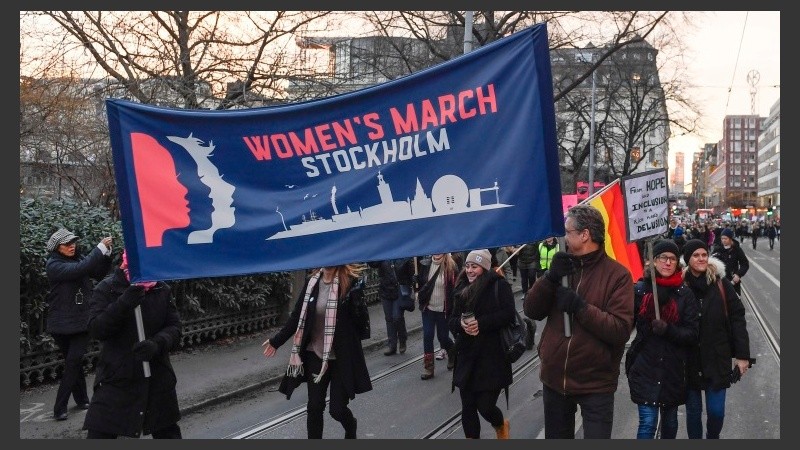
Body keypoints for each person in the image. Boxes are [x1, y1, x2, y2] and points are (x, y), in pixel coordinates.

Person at [523, 204, 634, 439]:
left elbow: (620, 330)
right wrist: (550, 277)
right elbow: (531, 310)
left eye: (568, 230)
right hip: (555, 379)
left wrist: (580, 307)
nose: (563, 235)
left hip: (595, 383)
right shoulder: (562, 268)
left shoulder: (618, 275)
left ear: (585, 235)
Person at [262, 265, 372, 439]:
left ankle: (351, 425)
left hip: (341, 357)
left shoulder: (348, 284)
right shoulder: (311, 283)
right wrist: (276, 341)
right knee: (314, 407)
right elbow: (298, 316)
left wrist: (357, 299)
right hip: (316, 354)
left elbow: (360, 324)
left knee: (337, 410)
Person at [83, 250, 182, 438]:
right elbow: (97, 329)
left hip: (157, 378)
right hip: (116, 378)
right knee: (100, 434)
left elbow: (175, 327)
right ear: (125, 261)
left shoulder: (161, 289)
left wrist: (157, 343)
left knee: (167, 433)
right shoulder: (107, 288)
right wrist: (124, 303)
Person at [626, 240, 699, 439]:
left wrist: (668, 330)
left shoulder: (685, 294)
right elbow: (625, 324)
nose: (668, 262)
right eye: (663, 258)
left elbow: (692, 334)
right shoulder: (640, 290)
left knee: (670, 423)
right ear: (654, 261)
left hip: (673, 371)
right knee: (647, 424)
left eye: (673, 259)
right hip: (646, 367)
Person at [681, 239, 752, 439]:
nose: (702, 258)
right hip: (689, 360)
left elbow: (738, 318)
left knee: (716, 412)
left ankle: (712, 437)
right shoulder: (681, 285)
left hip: (717, 359)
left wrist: (742, 356)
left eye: (704, 254)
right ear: (688, 259)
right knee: (693, 413)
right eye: (696, 255)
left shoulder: (721, 284)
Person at [44, 228, 113, 421]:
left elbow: (98, 273)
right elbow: (80, 269)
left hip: (82, 322)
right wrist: (99, 248)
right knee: (72, 363)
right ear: (57, 248)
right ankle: (82, 399)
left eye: (73, 242)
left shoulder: (78, 259)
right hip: (60, 324)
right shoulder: (54, 264)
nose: (72, 246)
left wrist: (106, 255)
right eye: (67, 244)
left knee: (73, 362)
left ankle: (60, 407)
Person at [448, 249, 515, 439]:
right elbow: (451, 320)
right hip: (467, 356)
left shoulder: (498, 285)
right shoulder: (460, 287)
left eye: (474, 266)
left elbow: (508, 314)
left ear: (484, 268)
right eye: (468, 266)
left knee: (485, 406)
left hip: (492, 358)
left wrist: (482, 323)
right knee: (468, 406)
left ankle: (501, 425)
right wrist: (460, 325)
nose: (469, 270)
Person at [416, 253, 459, 379]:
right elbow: (422, 283)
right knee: (428, 335)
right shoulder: (424, 264)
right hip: (428, 308)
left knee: (443, 338)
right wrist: (415, 281)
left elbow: (456, 287)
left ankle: (452, 353)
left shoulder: (451, 267)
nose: (437, 252)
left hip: (444, 310)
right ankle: (429, 368)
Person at [367, 258, 414, 355]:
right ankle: (392, 345)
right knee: (389, 319)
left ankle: (402, 340)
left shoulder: (403, 255)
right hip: (386, 290)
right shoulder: (383, 255)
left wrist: (411, 287)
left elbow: (410, 272)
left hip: (399, 291)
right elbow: (373, 263)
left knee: (397, 317)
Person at [711, 228, 749, 296]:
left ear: (730, 239)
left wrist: (738, 274)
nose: (723, 240)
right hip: (720, 281)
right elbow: (711, 262)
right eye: (722, 238)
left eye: (725, 238)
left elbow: (745, 264)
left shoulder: (737, 249)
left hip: (733, 281)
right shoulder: (718, 249)